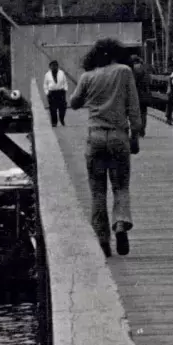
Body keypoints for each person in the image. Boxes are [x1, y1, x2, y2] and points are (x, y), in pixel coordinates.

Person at [68, 38, 142, 257]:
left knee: (97, 191)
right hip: (119, 137)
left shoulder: (87, 76)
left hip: (96, 137)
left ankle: (102, 239)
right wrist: (135, 135)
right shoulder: (124, 72)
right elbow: (134, 107)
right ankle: (120, 223)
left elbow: (74, 103)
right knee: (121, 186)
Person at [129, 54, 151, 137]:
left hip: (136, 94)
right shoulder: (145, 68)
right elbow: (149, 80)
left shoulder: (134, 69)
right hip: (145, 94)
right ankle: (142, 130)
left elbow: (132, 82)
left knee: (135, 113)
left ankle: (136, 130)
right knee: (143, 113)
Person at [43, 60, 69, 126]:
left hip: (60, 92)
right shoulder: (47, 74)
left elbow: (65, 82)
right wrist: (47, 92)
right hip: (52, 93)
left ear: (57, 66)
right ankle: (54, 122)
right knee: (52, 109)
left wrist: (65, 89)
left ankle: (62, 119)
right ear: (50, 67)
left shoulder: (61, 73)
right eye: (52, 66)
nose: (54, 67)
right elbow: (45, 84)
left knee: (62, 107)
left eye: (55, 65)